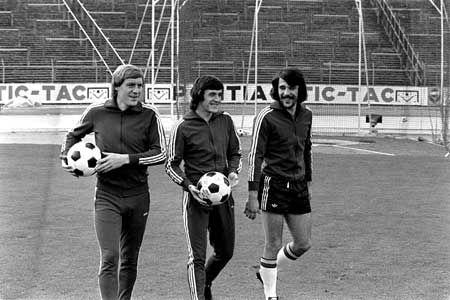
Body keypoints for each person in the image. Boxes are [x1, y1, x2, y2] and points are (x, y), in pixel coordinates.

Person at [60, 64, 167, 300]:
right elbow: (72, 135)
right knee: (110, 256)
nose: (137, 90)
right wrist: (65, 158)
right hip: (107, 195)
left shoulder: (150, 115)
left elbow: (161, 153)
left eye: (140, 85)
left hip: (138, 196)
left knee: (130, 258)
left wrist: (125, 159)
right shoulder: (97, 112)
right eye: (131, 85)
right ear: (117, 87)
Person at [165, 75, 242, 300]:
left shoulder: (225, 121)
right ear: (199, 96)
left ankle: (205, 282)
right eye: (212, 95)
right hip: (196, 200)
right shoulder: (183, 126)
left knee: (226, 251)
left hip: (224, 198)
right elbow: (171, 165)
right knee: (197, 257)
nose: (217, 99)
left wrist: (232, 171)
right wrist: (189, 187)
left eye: (220, 95)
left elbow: (235, 152)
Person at [244, 67, 313, 300]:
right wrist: (252, 194)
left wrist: (308, 180)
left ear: (299, 90)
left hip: (299, 186)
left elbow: (307, 149)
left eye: (291, 88)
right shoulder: (266, 116)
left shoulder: (307, 115)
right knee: (273, 243)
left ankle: (266, 272)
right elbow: (255, 156)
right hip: (272, 185)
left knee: (303, 244)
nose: (286, 93)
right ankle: (271, 295)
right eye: (282, 88)